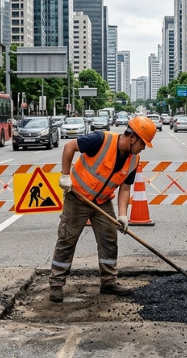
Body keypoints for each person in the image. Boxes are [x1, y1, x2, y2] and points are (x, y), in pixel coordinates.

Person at [49, 115, 156, 303]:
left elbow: (125, 188)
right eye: (143, 143)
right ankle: (56, 284)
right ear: (133, 137)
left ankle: (109, 282)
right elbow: (70, 146)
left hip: (102, 201)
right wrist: (65, 176)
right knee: (67, 239)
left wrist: (122, 216)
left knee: (109, 240)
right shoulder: (101, 140)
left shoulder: (133, 160)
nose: (144, 148)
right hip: (77, 198)